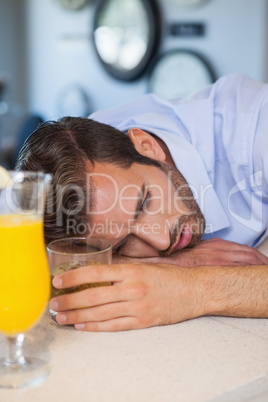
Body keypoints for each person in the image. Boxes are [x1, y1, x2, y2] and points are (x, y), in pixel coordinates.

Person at [16, 73, 268, 332]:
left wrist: (192, 288)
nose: (160, 240)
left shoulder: (256, 128)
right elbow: (29, 259)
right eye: (123, 244)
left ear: (148, 146)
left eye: (144, 203)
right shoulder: (74, 161)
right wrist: (179, 263)